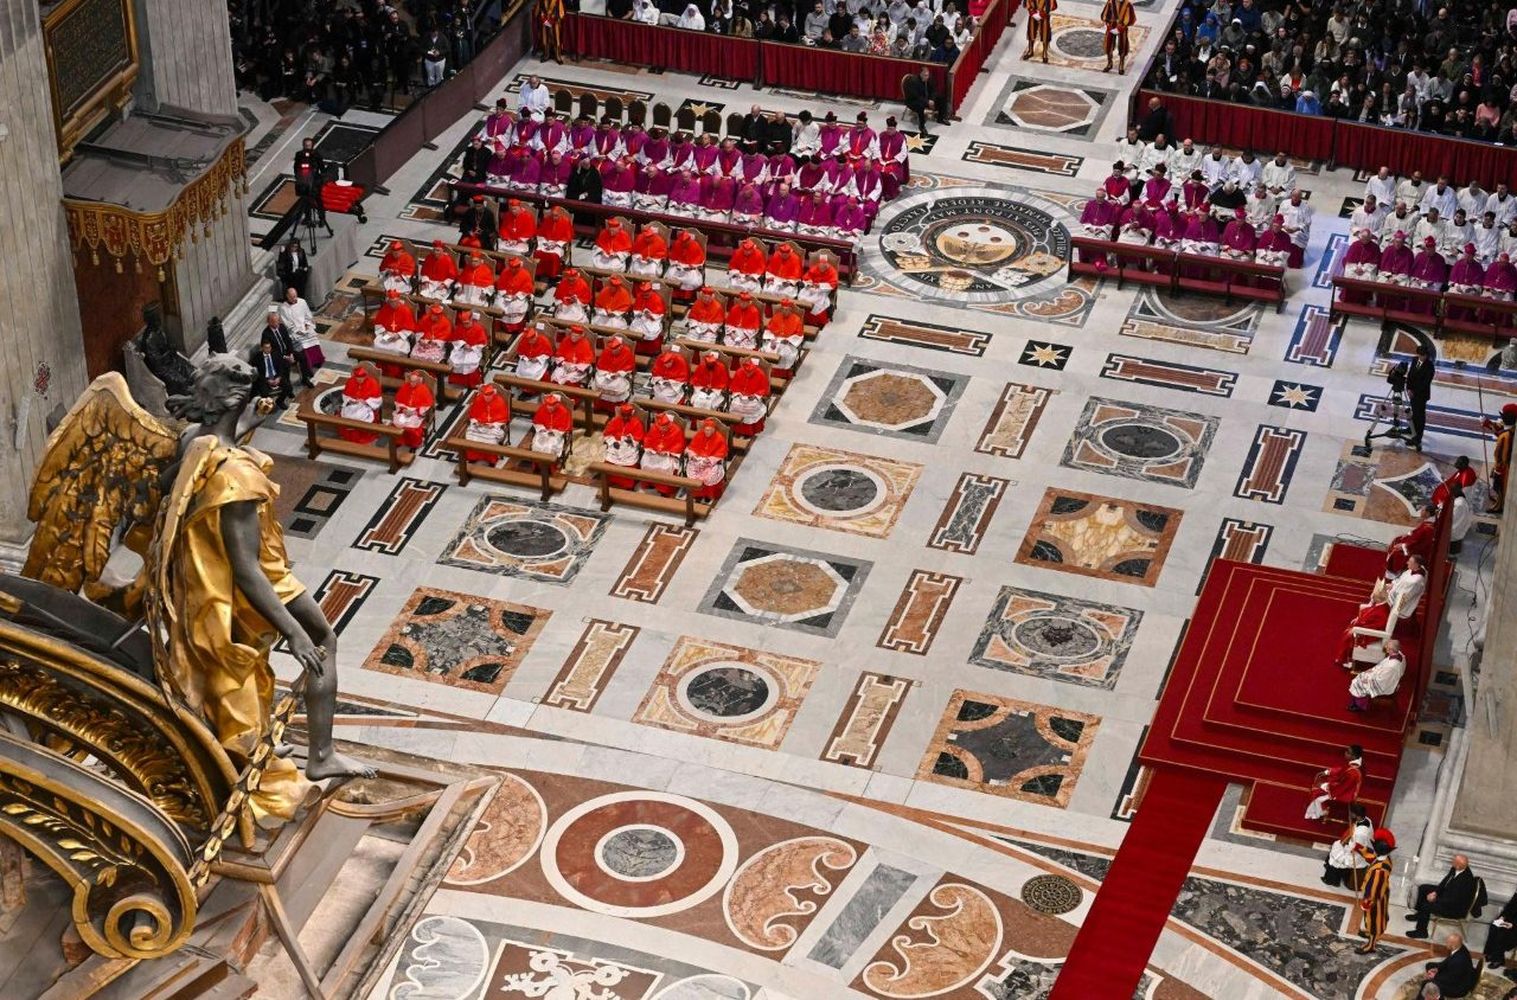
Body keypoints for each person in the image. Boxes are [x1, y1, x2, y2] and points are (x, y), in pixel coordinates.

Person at [1335, 557, 1426, 668]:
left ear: (1417, 565)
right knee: (1350, 629)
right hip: (1390, 600)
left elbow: (1403, 594)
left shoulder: (1415, 581)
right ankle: (1345, 656)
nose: (1407, 563)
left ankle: (1345, 659)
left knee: (1349, 633)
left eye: (1410, 562)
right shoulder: (1382, 605)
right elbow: (1399, 583)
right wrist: (1392, 585)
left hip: (1393, 607)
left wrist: (1358, 624)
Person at [1408, 855, 1481, 939]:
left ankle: (1421, 932)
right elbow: (1445, 882)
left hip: (1454, 908)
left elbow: (1452, 901)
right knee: (1423, 888)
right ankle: (1419, 915)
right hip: (1449, 894)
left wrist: (1434, 899)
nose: (1451, 861)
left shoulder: (1465, 881)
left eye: (1453, 861)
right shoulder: (1457, 868)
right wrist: (1435, 892)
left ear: (1458, 866)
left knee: (1426, 905)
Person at [1357, 832, 1395, 953]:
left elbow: (1374, 888)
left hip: (1375, 898)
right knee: (1372, 919)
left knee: (1374, 921)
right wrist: (1358, 847)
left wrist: (1368, 901)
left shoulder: (1380, 870)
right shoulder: (1384, 858)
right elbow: (1371, 857)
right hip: (1381, 893)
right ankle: (1370, 932)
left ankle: (1371, 946)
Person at [1323, 803, 1374, 889]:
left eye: (1352, 813)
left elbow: (1357, 847)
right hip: (1355, 845)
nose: (1350, 814)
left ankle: (1332, 880)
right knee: (1337, 845)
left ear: (1357, 816)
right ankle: (1329, 866)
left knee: (1337, 856)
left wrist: (1344, 845)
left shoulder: (1361, 834)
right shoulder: (1367, 819)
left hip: (1356, 855)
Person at [1306, 745, 1364, 821]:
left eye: (1348, 752)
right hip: (1347, 787)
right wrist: (1327, 772)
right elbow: (1342, 769)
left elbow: (1341, 787)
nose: (1345, 753)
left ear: (1354, 756)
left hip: (1347, 793)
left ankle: (1321, 812)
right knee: (1324, 780)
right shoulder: (1355, 764)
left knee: (1316, 791)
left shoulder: (1353, 773)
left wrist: (1324, 786)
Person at [276, 286, 324, 375]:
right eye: (292, 297)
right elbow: (287, 324)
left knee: (314, 338)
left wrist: (307, 325)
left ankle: (317, 362)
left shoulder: (302, 302)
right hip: (294, 331)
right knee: (302, 344)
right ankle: (308, 365)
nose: (294, 299)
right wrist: (298, 331)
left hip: (305, 327)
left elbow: (308, 315)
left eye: (295, 296)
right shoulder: (283, 308)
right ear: (287, 296)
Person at [1348, 640, 1406, 712]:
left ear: (1391, 650)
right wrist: (1372, 670)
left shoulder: (1392, 666)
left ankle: (1359, 706)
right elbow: (1383, 667)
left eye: (1387, 647)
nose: (1385, 647)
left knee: (1358, 683)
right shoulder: (1399, 654)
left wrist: (1368, 680)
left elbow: (1382, 680)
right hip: (1384, 676)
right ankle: (1356, 702)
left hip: (1385, 684)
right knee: (1361, 677)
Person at [260, 309, 312, 387]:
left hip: (287, 352)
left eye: (278, 321)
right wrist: (285, 357)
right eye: (274, 322)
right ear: (269, 322)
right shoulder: (266, 334)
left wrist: (291, 354)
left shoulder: (281, 327)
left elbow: (288, 340)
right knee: (286, 365)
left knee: (302, 357)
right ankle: (288, 386)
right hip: (277, 356)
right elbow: (270, 351)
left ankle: (305, 379)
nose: (277, 323)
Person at [640, 412, 686, 496]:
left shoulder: (677, 430)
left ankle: (663, 489)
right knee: (645, 462)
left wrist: (667, 452)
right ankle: (650, 484)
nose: (662, 430)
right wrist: (653, 449)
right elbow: (648, 439)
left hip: (668, 455)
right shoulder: (655, 427)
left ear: (669, 425)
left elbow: (679, 444)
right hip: (654, 453)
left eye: (664, 428)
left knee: (665, 467)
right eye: (661, 427)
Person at [291, 137, 332, 234]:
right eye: (306, 145)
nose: (307, 147)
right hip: (303, 182)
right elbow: (296, 167)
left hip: (314, 182)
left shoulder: (317, 155)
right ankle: (307, 218)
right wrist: (299, 177)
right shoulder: (299, 154)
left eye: (309, 146)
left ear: (312, 146)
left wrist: (319, 179)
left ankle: (322, 219)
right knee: (305, 200)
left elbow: (322, 169)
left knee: (318, 200)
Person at [1483, 403, 1516, 513]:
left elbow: (1501, 454)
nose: (1501, 420)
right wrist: (1487, 423)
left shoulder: (1505, 436)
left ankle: (1499, 506)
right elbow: (1500, 428)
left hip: (1503, 467)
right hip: (1506, 464)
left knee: (1500, 486)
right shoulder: (1512, 429)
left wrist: (1498, 468)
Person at [602, 403, 644, 489]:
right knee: (609, 461)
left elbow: (638, 439)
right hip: (616, 445)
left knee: (628, 462)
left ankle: (627, 484)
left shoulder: (637, 423)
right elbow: (607, 433)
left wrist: (631, 440)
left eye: (627, 416)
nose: (625, 418)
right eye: (623, 416)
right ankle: (610, 480)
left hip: (629, 447)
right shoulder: (615, 420)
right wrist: (613, 442)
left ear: (631, 414)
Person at [338, 365, 384, 445]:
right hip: (352, 405)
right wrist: (350, 400)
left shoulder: (372, 383)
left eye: (361, 378)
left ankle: (360, 438)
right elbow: (345, 395)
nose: (359, 380)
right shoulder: (351, 381)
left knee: (358, 417)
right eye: (357, 378)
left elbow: (377, 399)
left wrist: (365, 401)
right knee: (347, 415)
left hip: (366, 406)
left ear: (365, 377)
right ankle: (350, 437)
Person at [1388, 506, 1438, 577]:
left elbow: (1419, 543)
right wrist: (1408, 534)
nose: (1420, 512)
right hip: (1415, 543)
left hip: (1418, 550)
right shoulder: (1428, 522)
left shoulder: (1428, 528)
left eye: (1422, 510)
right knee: (1397, 539)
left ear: (1427, 513)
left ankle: (1396, 573)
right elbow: (1417, 532)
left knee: (1396, 551)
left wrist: (1403, 546)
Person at [686, 418, 728, 501]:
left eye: (709, 430)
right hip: (698, 459)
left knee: (710, 475)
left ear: (713, 430)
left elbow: (721, 453)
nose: (707, 432)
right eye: (706, 430)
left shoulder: (719, 438)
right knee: (693, 472)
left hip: (711, 462)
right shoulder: (699, 434)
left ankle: (708, 495)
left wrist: (709, 460)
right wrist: (694, 456)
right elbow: (692, 448)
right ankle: (698, 495)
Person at [728, 356, 770, 434]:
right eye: (746, 372)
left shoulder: (760, 374)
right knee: (735, 404)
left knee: (751, 407)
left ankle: (750, 430)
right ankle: (736, 429)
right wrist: (738, 394)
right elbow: (735, 386)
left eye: (750, 372)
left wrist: (755, 395)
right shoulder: (739, 372)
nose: (748, 374)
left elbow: (763, 388)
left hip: (753, 398)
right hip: (740, 396)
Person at [392, 370, 433, 450]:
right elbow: (398, 401)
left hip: (416, 413)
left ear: (418, 381)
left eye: (414, 381)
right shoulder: (405, 387)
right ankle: (400, 441)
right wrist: (403, 409)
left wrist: (414, 412)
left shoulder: (424, 389)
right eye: (411, 381)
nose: (412, 383)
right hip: (404, 411)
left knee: (412, 425)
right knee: (398, 422)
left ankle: (414, 443)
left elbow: (426, 405)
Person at [593, 334, 637, 409]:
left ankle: (614, 408)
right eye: (612, 349)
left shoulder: (626, 352)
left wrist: (618, 374)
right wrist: (606, 373)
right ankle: (601, 405)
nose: (613, 351)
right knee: (600, 382)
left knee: (616, 385)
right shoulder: (607, 350)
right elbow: (601, 365)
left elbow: (629, 367)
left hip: (620, 375)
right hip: (606, 374)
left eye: (615, 349)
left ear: (620, 347)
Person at [1407, 343, 1435, 450]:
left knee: (1420, 416)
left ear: (1426, 355)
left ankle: (1418, 436)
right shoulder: (1415, 360)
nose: (1421, 357)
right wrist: (1409, 388)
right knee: (1414, 412)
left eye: (1423, 355)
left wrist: (1414, 391)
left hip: (1421, 395)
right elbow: (1410, 375)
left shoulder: (1430, 367)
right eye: (1419, 355)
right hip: (1412, 393)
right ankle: (1411, 429)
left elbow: (1425, 383)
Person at [449, 311, 489, 388]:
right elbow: (455, 339)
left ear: (471, 320)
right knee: (454, 360)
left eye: (467, 323)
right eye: (464, 323)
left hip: (474, 351)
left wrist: (472, 348)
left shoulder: (479, 328)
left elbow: (482, 343)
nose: (465, 325)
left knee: (469, 362)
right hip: (462, 349)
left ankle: (472, 382)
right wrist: (463, 344)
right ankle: (457, 381)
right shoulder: (460, 327)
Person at [495, 257, 536, 328]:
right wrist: (505, 294)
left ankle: (514, 328)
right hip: (506, 296)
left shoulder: (525, 274)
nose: (513, 269)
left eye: (516, 267)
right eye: (512, 267)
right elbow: (500, 285)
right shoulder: (505, 272)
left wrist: (516, 296)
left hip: (519, 297)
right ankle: (500, 325)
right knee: (499, 304)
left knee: (515, 306)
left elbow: (527, 289)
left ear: (519, 266)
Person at [529, 392, 573, 459]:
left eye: (552, 406)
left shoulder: (563, 411)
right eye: (548, 405)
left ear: (557, 404)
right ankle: (537, 463)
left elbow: (565, 427)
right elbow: (537, 422)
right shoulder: (543, 408)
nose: (550, 407)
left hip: (556, 435)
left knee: (550, 447)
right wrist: (542, 429)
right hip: (543, 433)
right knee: (537, 445)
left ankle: (551, 463)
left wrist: (554, 432)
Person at [1100, 0, 1136, 74]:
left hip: (1122, 27)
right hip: (1111, 26)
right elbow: (1105, 15)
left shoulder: (1127, 4)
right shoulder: (1110, 2)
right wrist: (1108, 23)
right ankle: (1109, 63)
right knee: (1108, 44)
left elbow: (1130, 18)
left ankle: (1121, 64)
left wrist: (1121, 27)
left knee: (1123, 45)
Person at [252, 340, 292, 408]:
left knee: (288, 387)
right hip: (265, 378)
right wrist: (267, 380)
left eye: (269, 347)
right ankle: (269, 405)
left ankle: (280, 401)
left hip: (276, 376)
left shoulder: (276, 354)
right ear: (262, 348)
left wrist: (279, 377)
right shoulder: (257, 358)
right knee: (264, 393)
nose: (268, 349)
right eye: (266, 348)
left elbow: (281, 367)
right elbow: (257, 373)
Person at [1482, 892, 1517, 970]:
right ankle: (1490, 953)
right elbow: (1510, 906)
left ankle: (1498, 959)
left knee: (1503, 933)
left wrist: (1513, 924)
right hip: (1511, 920)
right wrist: (1503, 916)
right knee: (1494, 926)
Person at [903, 67, 941, 136]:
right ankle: (922, 126)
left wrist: (932, 99)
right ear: (921, 74)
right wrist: (927, 101)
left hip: (926, 99)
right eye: (925, 75)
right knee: (920, 106)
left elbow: (934, 91)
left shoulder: (929, 79)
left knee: (941, 98)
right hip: (912, 101)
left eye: (928, 75)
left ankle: (941, 118)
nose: (927, 77)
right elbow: (916, 96)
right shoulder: (913, 81)